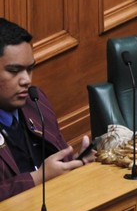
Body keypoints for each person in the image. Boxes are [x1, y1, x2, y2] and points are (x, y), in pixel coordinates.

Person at [0, 18, 96, 201]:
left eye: (29, 70)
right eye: (14, 70)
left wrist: (76, 163)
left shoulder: (35, 101)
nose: (26, 80)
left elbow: (53, 166)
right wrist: (36, 179)